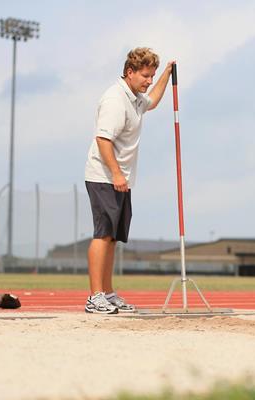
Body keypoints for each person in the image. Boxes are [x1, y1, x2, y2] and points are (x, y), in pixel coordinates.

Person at [84, 48, 173, 314]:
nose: (148, 81)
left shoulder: (135, 98)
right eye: (145, 76)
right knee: (103, 234)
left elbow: (153, 101)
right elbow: (103, 139)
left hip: (120, 178)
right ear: (129, 72)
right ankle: (94, 296)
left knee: (112, 237)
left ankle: (108, 293)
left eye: (151, 76)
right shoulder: (115, 99)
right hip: (104, 176)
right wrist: (115, 173)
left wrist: (166, 74)